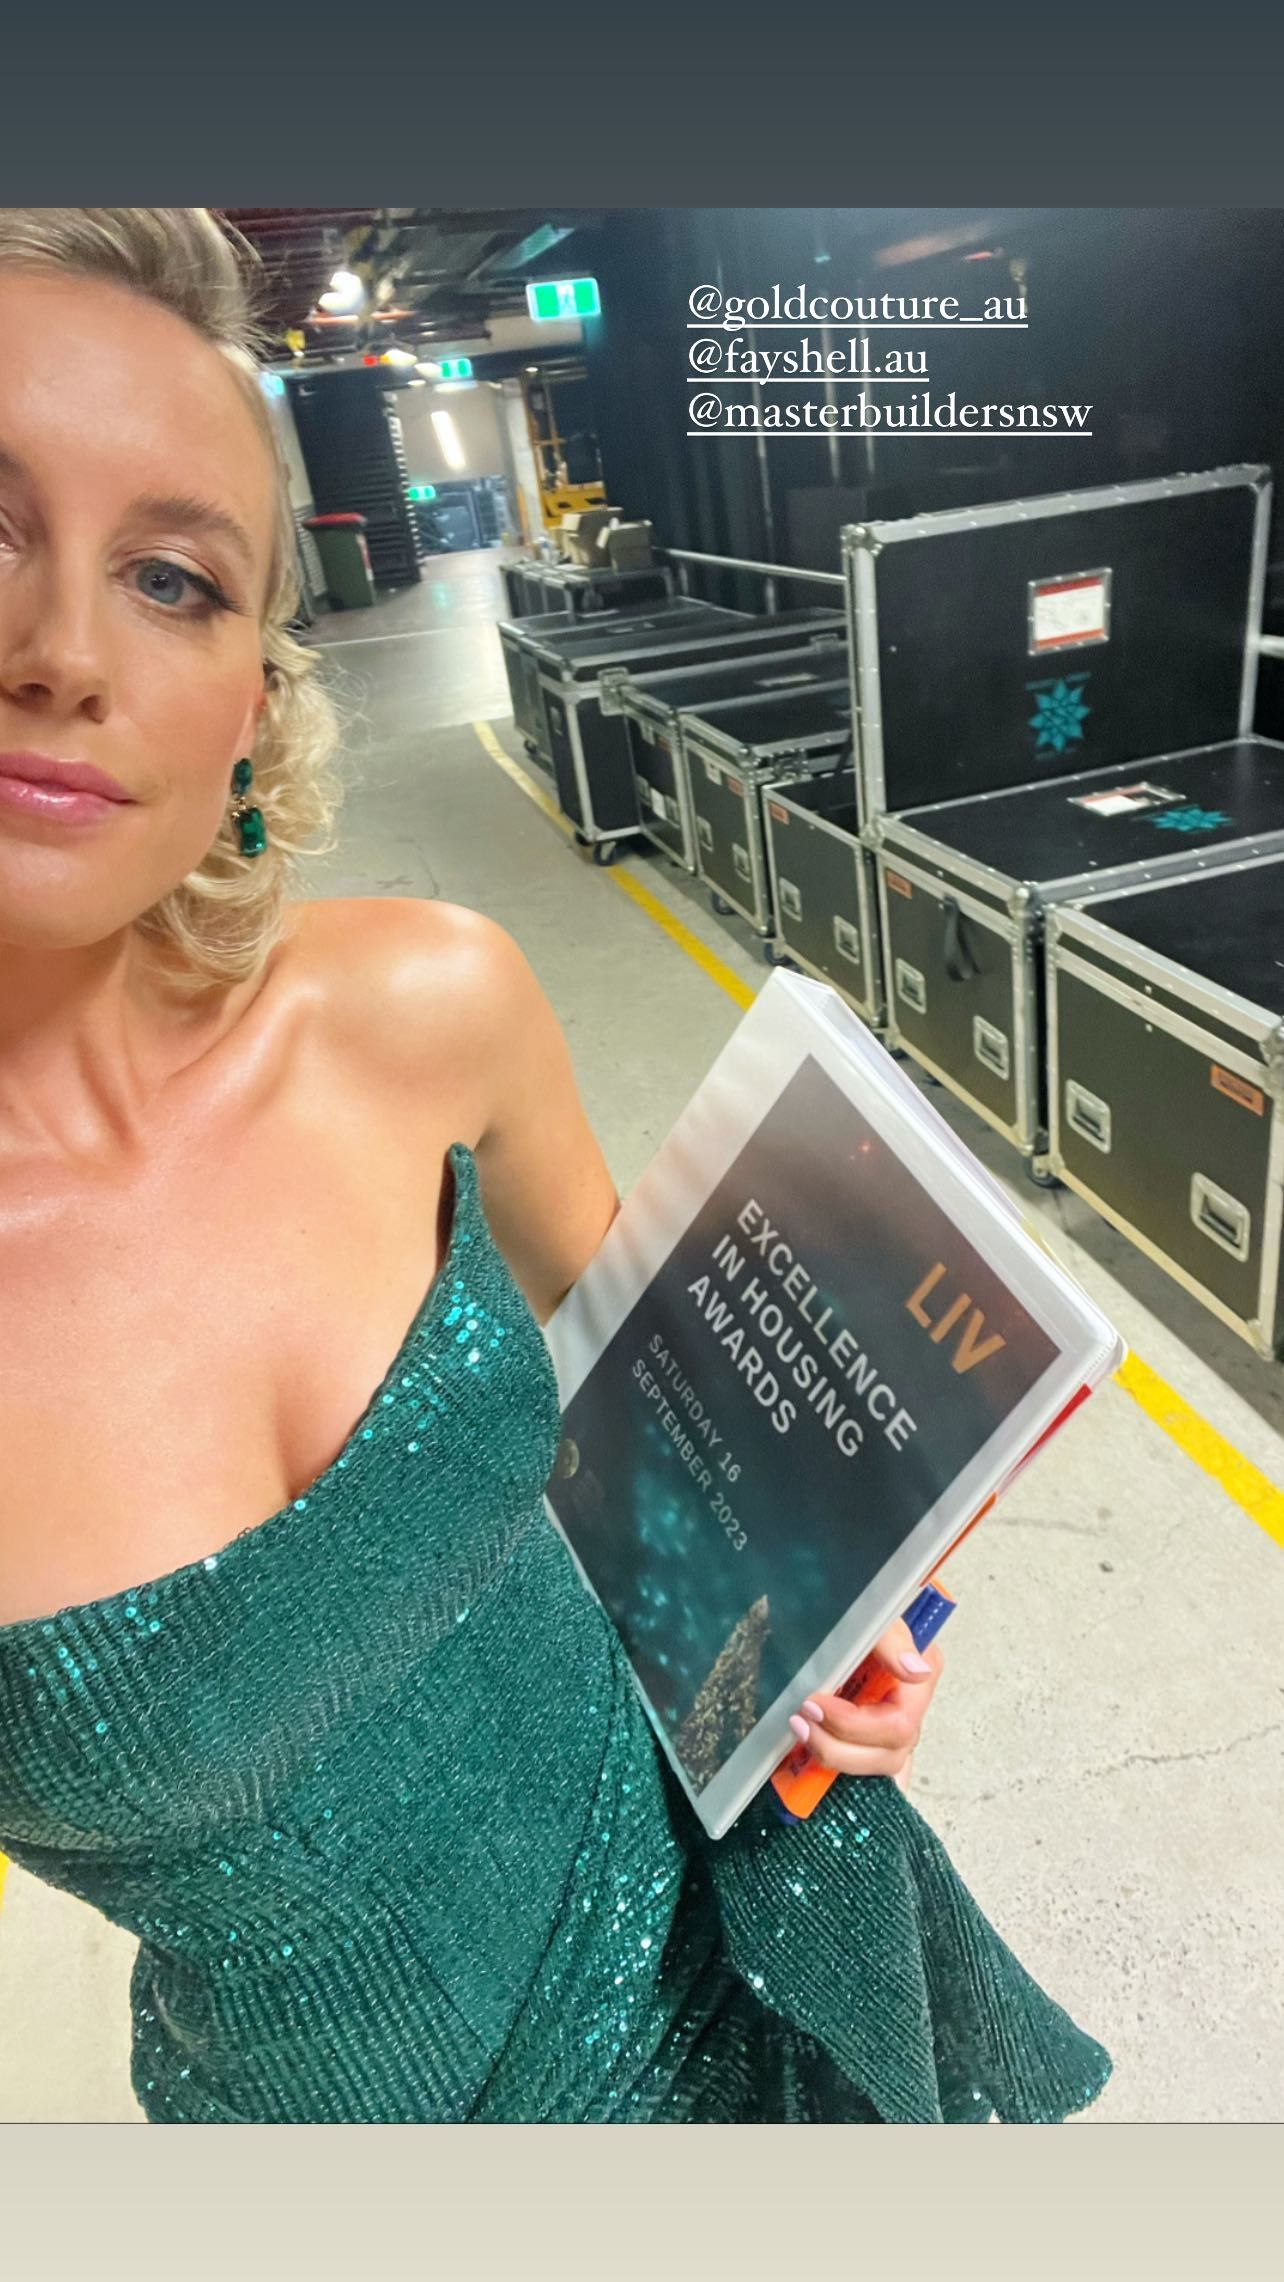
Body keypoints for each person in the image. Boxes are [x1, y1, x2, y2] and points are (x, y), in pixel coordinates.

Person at [0, 208, 1110, 2125]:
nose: (63, 654)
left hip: (737, 1922)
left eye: (173, 577)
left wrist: (834, 1631)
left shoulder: (428, 1005)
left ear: (255, 695)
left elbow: (670, 1419)